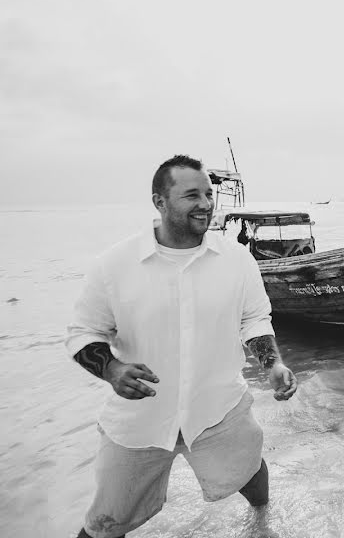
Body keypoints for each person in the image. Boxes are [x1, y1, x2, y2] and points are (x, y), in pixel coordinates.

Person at [66, 155, 298, 538]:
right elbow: (83, 333)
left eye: (209, 193)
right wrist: (112, 370)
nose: (206, 204)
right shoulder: (114, 265)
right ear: (159, 201)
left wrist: (272, 365)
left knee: (252, 471)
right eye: (192, 195)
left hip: (219, 409)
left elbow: (254, 319)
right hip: (139, 421)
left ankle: (263, 523)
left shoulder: (237, 260)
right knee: (105, 523)